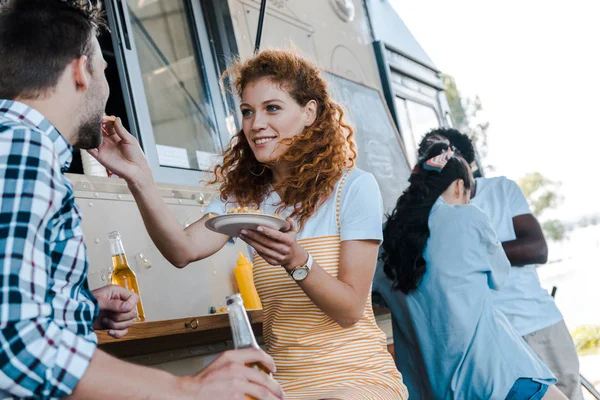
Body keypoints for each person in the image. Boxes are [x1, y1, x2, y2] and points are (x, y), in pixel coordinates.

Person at [0, 1, 284, 399]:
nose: (107, 85)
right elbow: (14, 342)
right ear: (82, 71)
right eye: (103, 69)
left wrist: (81, 307)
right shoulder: (21, 149)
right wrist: (187, 389)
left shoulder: (20, 147)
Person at [91, 48, 408, 399]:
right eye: (247, 111)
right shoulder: (247, 199)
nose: (256, 124)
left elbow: (349, 311)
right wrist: (139, 176)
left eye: (272, 108)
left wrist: (296, 261)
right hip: (281, 383)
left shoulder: (353, 188)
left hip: (355, 378)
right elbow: (181, 251)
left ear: (309, 112)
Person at [374, 142, 565, 399]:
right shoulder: (467, 218)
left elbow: (378, 296)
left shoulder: (382, 241)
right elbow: (499, 276)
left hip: (434, 389)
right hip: (495, 378)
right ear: (458, 186)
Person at [413, 128, 583, 400]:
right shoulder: (429, 215)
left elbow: (537, 248)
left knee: (567, 392)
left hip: (535, 322)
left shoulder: (501, 190)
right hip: (486, 347)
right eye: (431, 155)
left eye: (446, 152)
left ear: (465, 160)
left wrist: (467, 253)